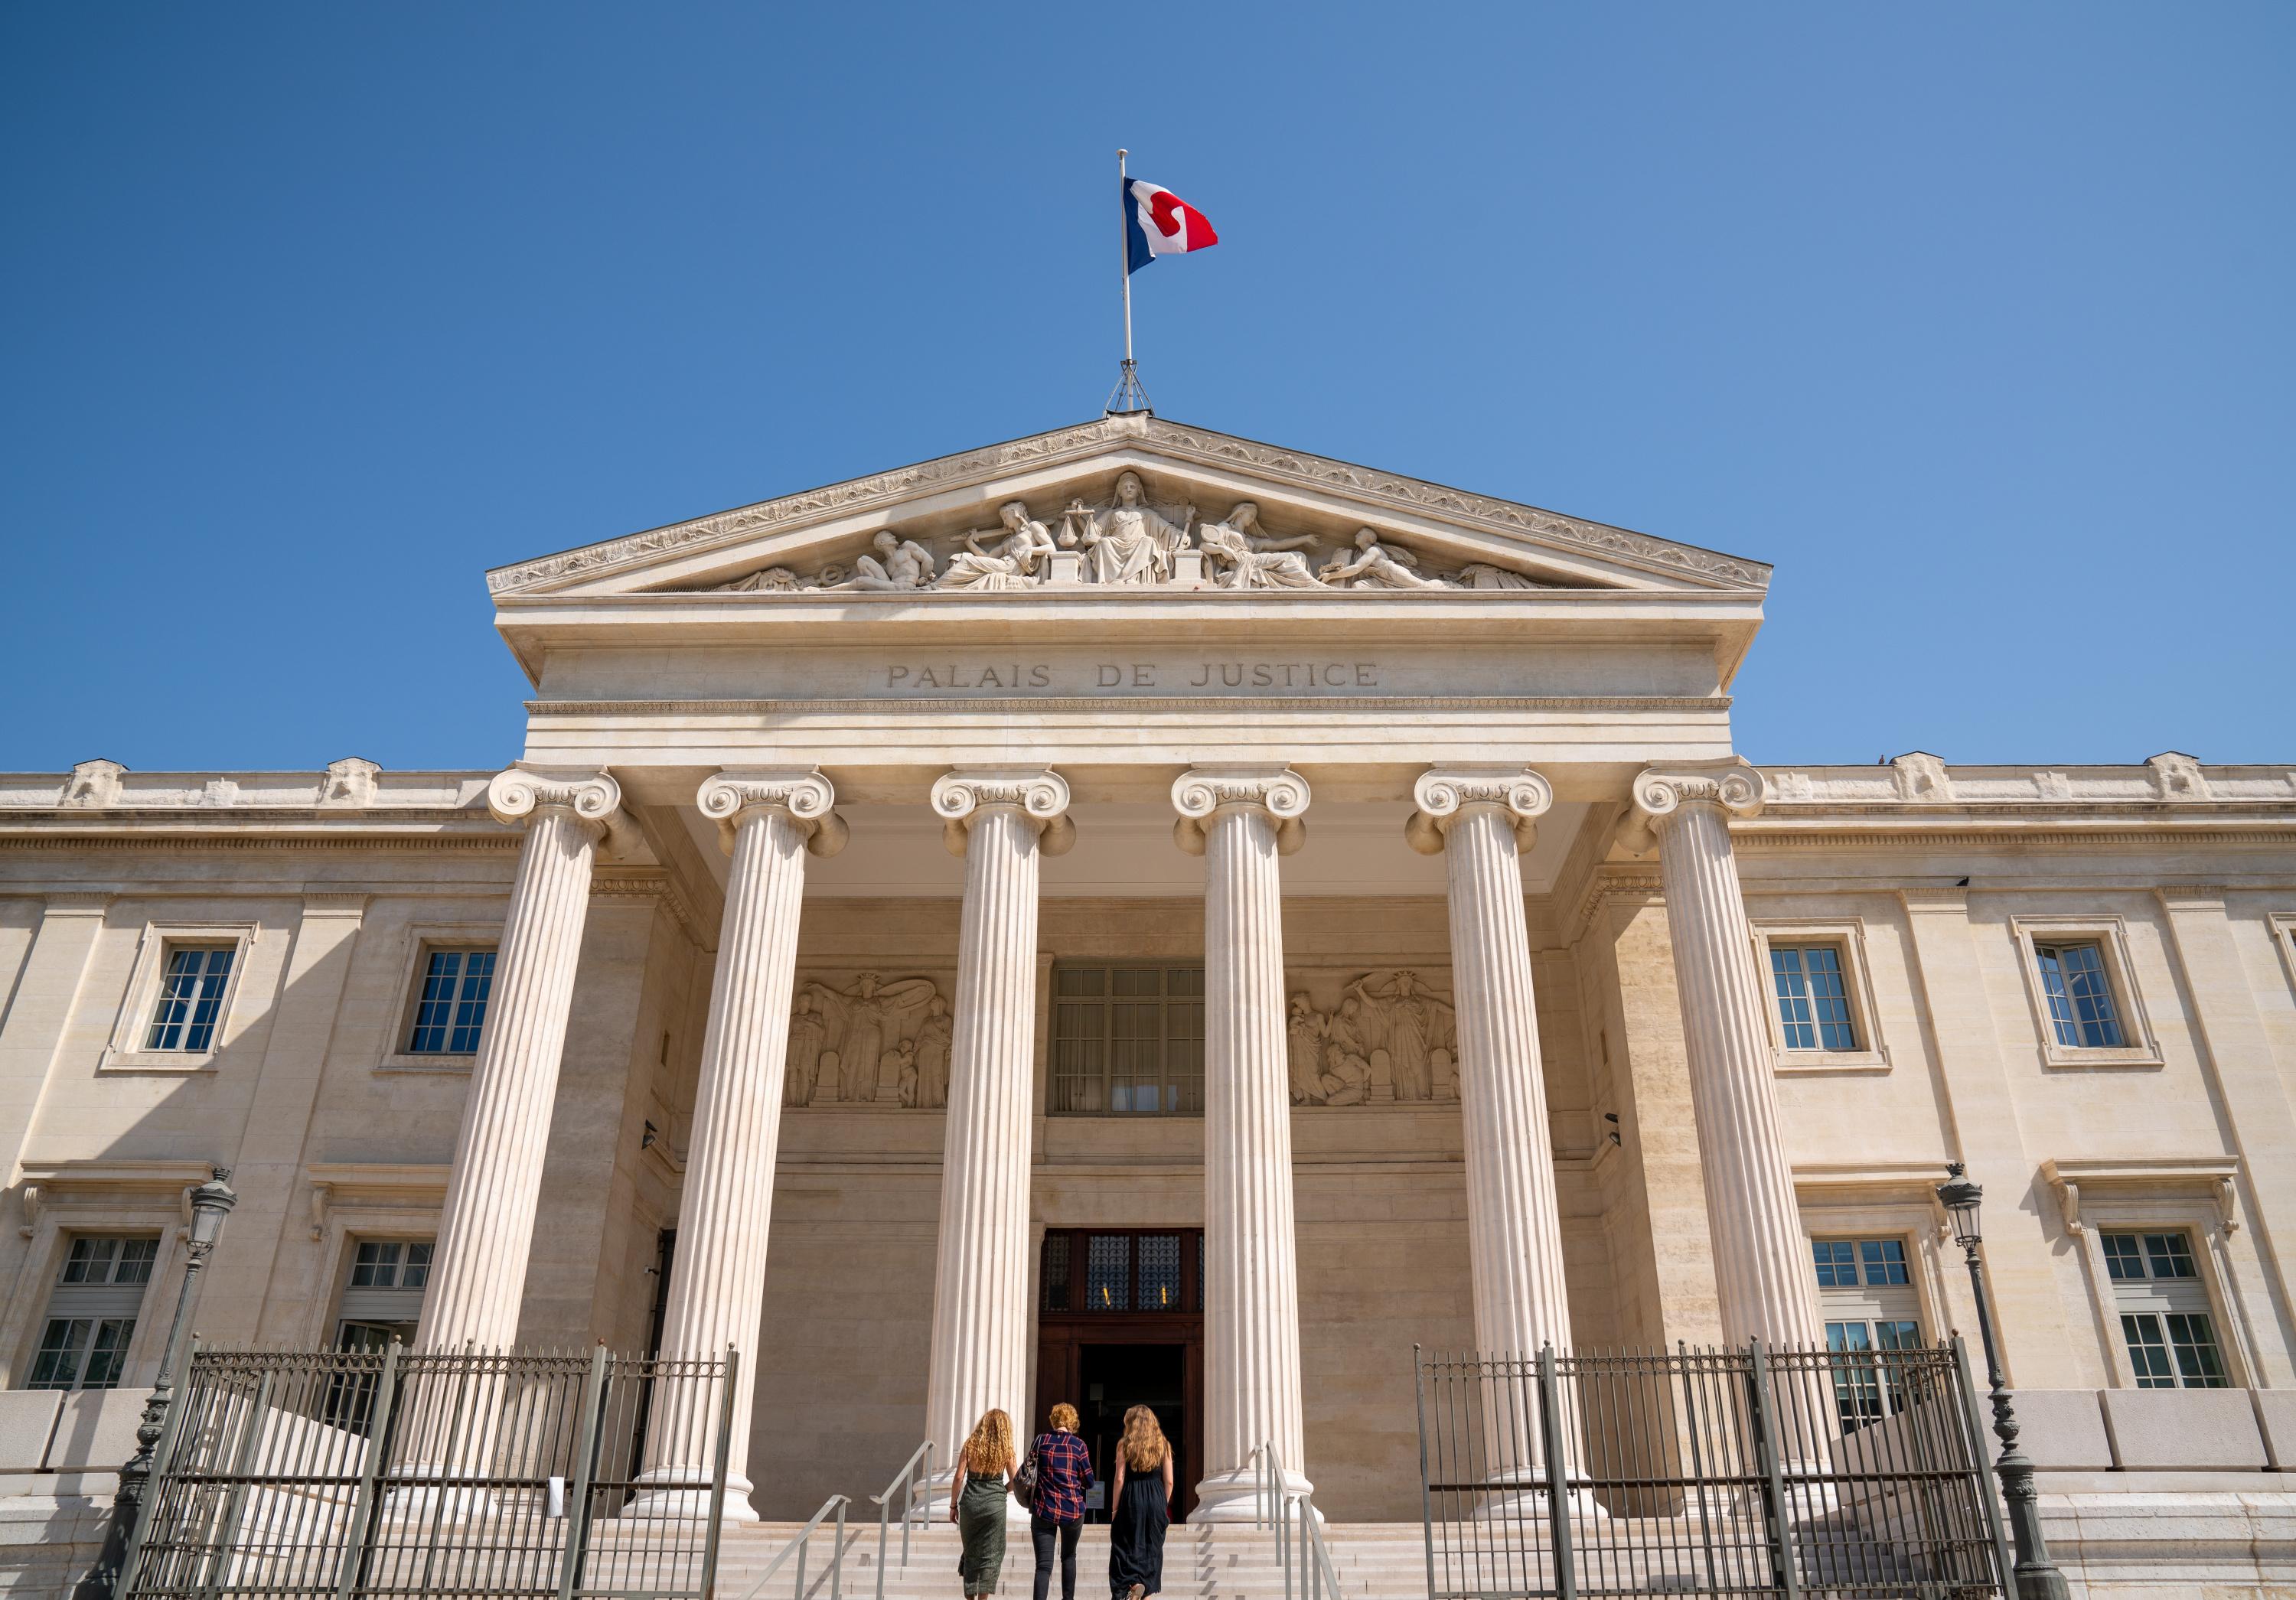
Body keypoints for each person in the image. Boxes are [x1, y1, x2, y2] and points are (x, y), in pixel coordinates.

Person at [1029, 1403, 1094, 1600]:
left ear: (1054, 1420)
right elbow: (1089, 1481)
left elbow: (1029, 1471)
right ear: (1073, 1422)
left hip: (1043, 1508)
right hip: (1072, 1509)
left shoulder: (1040, 1441)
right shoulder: (1078, 1445)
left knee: (1043, 1566)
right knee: (1069, 1556)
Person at [951, 1407, 1017, 1600]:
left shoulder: (971, 1445)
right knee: (992, 1553)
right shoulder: (1006, 1449)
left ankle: (970, 1597)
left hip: (971, 1503)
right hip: (995, 1505)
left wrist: (953, 1506)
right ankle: (983, 1598)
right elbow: (1016, 1480)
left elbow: (958, 1478)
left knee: (971, 1552)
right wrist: (1001, 1490)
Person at [1107, 1405, 1172, 1600]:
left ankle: (1133, 1584)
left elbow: (1119, 1478)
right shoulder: (1164, 1444)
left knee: (1125, 1547)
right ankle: (1144, 1589)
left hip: (1131, 1498)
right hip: (1155, 1498)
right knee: (1151, 1550)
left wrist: (1115, 1509)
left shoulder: (1124, 1444)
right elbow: (1169, 1481)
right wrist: (1162, 1503)